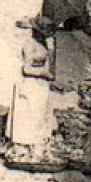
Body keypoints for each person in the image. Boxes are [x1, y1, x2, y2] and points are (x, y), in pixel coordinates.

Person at [8, 25, 54, 155]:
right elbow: (26, 69)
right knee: (28, 115)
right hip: (30, 82)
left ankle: (36, 144)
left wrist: (51, 51)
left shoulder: (44, 44)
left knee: (40, 115)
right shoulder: (29, 44)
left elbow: (50, 67)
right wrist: (43, 73)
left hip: (41, 84)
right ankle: (24, 145)